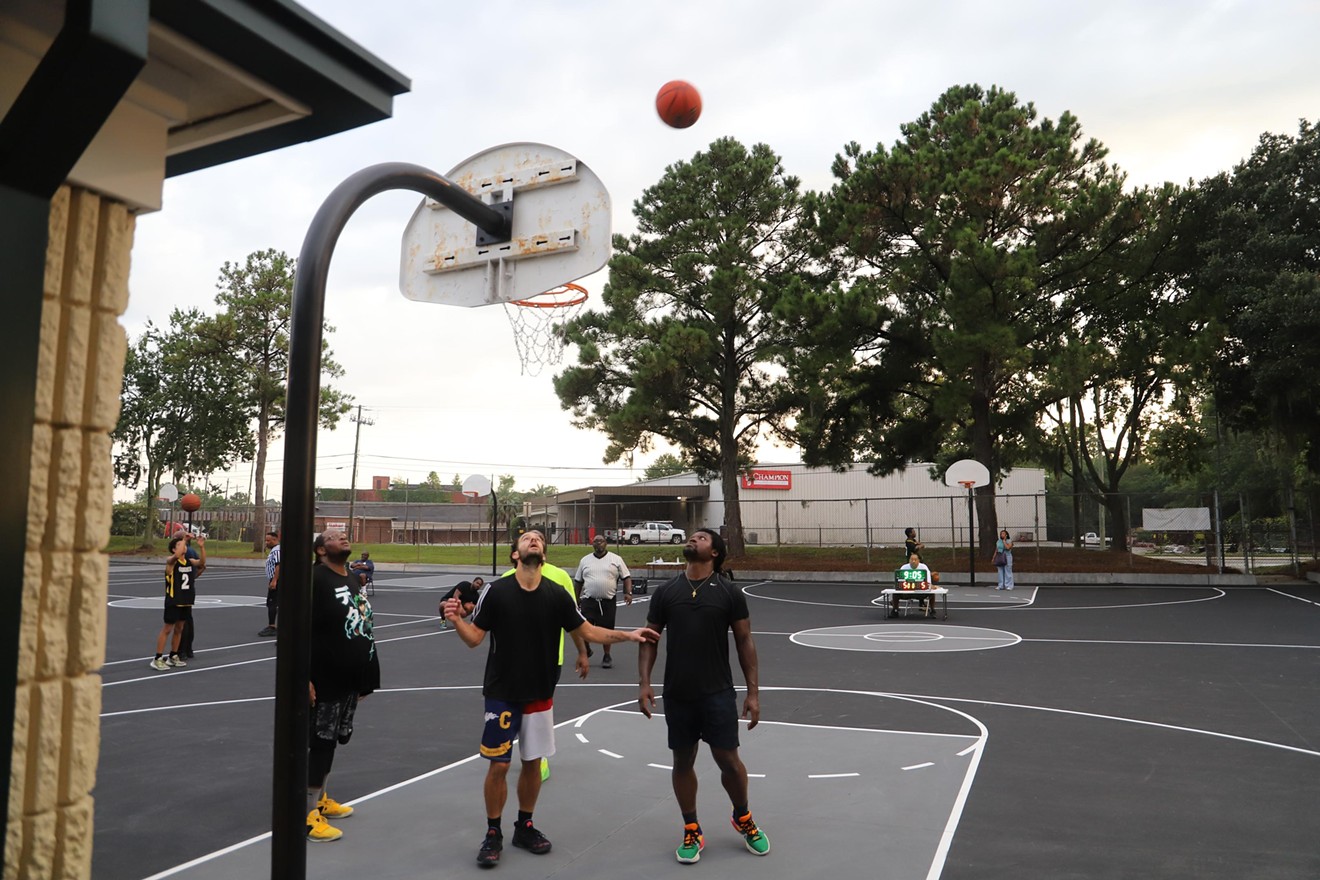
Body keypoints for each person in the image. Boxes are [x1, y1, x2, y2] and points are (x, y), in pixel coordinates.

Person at [443, 529, 657, 868]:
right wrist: (456, 620)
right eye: (527, 538)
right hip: (502, 693)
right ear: (515, 554)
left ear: (543, 553)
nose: (534, 541)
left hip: (540, 692)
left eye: (539, 539)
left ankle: (524, 826)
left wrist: (629, 636)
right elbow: (474, 639)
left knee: (531, 762)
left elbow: (587, 631)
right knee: (499, 765)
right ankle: (493, 832)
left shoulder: (557, 594)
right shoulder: (496, 592)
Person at [638, 527, 770, 864]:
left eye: (701, 537)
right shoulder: (667, 591)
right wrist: (644, 683)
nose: (693, 539)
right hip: (679, 694)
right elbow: (650, 639)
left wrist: (753, 693)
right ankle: (692, 828)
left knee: (728, 760)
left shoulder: (728, 593)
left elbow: (745, 641)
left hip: (718, 693)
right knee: (682, 761)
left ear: (715, 552)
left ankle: (743, 817)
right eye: (692, 536)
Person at [306, 530, 380, 842]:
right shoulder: (315, 579)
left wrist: (367, 676)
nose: (343, 537)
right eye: (335, 537)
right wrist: (302, 676)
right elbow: (297, 628)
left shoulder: (351, 577)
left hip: (350, 676)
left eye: (344, 535)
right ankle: (307, 814)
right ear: (322, 550)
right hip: (325, 675)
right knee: (320, 742)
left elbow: (363, 624)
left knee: (334, 739)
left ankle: (320, 798)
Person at [573, 536, 633, 669]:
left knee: (607, 630)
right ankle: (587, 649)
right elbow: (578, 581)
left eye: (601, 541)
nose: (598, 543)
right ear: (592, 544)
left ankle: (607, 655)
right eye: (595, 541)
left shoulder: (616, 559)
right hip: (589, 600)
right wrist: (576, 598)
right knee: (584, 628)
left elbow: (626, 577)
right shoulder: (585, 560)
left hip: (608, 601)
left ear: (606, 543)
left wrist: (628, 593)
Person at [150, 534, 206, 670]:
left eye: (185, 545)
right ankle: (157, 658)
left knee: (179, 629)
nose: (184, 547)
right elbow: (176, 556)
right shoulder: (171, 562)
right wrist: (184, 539)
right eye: (181, 546)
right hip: (174, 600)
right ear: (174, 550)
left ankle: (173, 655)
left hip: (186, 600)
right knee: (167, 629)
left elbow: (202, 563)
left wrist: (202, 547)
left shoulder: (189, 561)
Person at [259, 531, 280, 637]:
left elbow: (278, 566)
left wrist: (274, 580)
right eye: (266, 540)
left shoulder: (277, 551)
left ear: (275, 540)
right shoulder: (274, 551)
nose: (266, 542)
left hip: (276, 580)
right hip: (274, 579)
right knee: (273, 602)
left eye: (268, 540)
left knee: (272, 603)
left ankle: (272, 626)